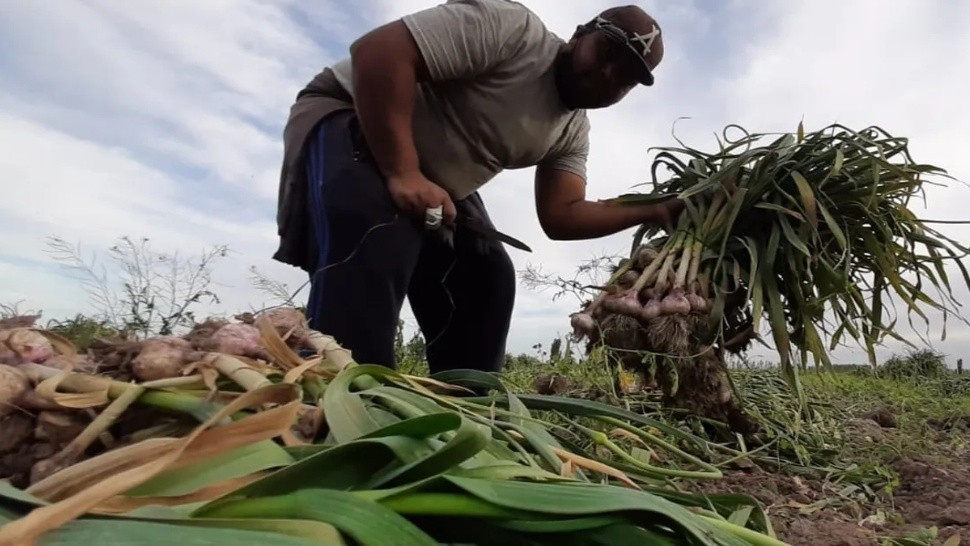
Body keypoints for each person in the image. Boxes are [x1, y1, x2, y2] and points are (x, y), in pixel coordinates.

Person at [272, 0, 683, 375]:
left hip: (433, 179)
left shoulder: (571, 129)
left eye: (626, 78)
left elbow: (563, 213)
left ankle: (465, 403)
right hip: (350, 112)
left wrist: (657, 209)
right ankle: (344, 393)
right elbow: (379, 53)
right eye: (607, 53)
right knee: (378, 229)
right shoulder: (514, 31)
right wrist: (404, 172)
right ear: (579, 35)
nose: (609, 75)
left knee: (487, 275)